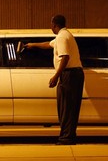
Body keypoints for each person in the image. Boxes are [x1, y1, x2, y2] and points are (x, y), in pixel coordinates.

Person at [25, 14, 85, 145]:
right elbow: (49, 44)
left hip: (69, 75)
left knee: (66, 108)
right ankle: (69, 137)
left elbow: (65, 57)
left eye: (51, 25)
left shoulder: (62, 37)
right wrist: (32, 45)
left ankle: (66, 139)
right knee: (70, 108)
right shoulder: (64, 35)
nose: (50, 27)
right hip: (74, 74)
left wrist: (55, 76)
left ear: (54, 25)